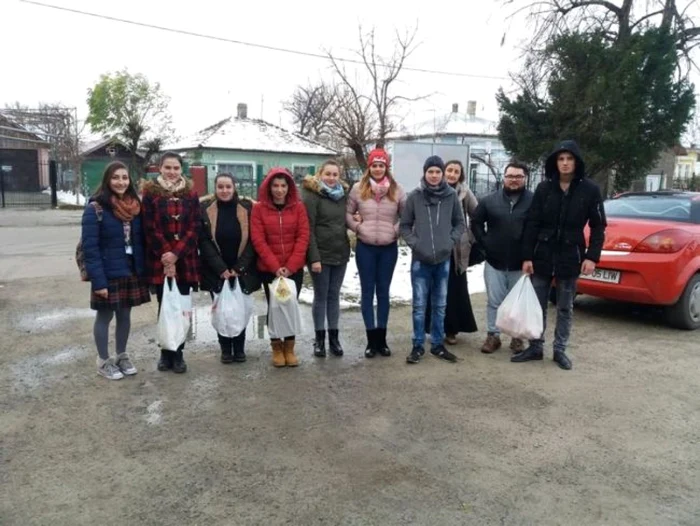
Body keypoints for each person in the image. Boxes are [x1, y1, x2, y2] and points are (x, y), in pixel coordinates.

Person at [514, 140, 606, 370]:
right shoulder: (545, 189)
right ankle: (536, 346)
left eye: (569, 159)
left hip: (570, 255)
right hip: (542, 254)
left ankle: (560, 349)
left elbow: (598, 226)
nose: (565, 163)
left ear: (577, 162)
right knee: (537, 304)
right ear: (555, 162)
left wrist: (592, 257)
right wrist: (527, 256)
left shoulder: (590, 190)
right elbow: (532, 224)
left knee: (565, 306)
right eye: (561, 159)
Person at [81, 161, 150, 380]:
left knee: (125, 314)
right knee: (104, 315)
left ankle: (122, 355)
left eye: (124, 177)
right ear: (107, 180)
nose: (120, 182)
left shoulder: (135, 206)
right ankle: (103, 360)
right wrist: (98, 281)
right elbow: (89, 248)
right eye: (115, 177)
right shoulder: (96, 208)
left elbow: (140, 241)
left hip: (130, 268)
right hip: (107, 270)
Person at [400, 155, 465, 364]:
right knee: (419, 305)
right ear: (425, 173)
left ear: (442, 173)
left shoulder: (451, 196)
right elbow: (405, 225)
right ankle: (418, 345)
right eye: (431, 171)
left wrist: (449, 242)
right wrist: (416, 244)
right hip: (420, 260)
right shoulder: (415, 197)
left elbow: (459, 223)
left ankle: (437, 344)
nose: (435, 175)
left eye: (438, 171)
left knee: (440, 304)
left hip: (443, 260)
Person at [141, 151, 201, 374]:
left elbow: (195, 226)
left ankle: (179, 353)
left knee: (182, 307)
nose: (172, 172)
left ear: (181, 169)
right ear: (160, 168)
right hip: (160, 260)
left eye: (176, 168)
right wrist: (166, 255)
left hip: (184, 260)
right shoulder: (150, 193)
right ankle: (165, 353)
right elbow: (149, 227)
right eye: (168, 167)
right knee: (165, 307)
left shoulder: (191, 193)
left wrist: (176, 254)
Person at [346, 148, 406, 358]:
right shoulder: (358, 189)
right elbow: (347, 212)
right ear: (369, 167)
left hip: (388, 248)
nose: (378, 169)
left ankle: (382, 339)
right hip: (366, 248)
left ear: (386, 168)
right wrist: (357, 228)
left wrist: (395, 231)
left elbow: (406, 216)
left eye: (381, 165)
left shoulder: (397, 190)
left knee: (383, 292)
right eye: (374, 165)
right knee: (367, 292)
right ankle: (371, 340)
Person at [471, 160, 534, 355]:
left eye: (518, 176)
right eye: (510, 176)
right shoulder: (489, 201)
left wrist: (531, 256)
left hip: (521, 262)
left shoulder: (534, 201)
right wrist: (485, 243)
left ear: (525, 178)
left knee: (518, 302)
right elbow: (476, 223)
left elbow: (538, 229)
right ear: (503, 178)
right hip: (494, 261)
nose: (514, 180)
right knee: (494, 301)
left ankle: (517, 338)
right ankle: (493, 335)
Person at [251, 167, 310, 368]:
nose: (279, 190)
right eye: (275, 185)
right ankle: (276, 347)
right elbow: (258, 239)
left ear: (289, 188)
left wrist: (291, 266)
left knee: (290, 305)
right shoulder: (259, 209)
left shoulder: (299, 208)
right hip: (269, 270)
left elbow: (303, 237)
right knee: (274, 307)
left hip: (293, 269)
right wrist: (275, 267)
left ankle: (290, 347)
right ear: (268, 187)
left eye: (283, 186)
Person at [199, 173, 260, 364]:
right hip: (216, 270)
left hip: (242, 269)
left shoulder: (247, 209)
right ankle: (225, 349)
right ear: (215, 188)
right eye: (220, 187)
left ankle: (240, 348)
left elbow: (253, 240)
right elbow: (204, 240)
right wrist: (220, 268)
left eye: (228, 187)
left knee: (240, 309)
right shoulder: (205, 209)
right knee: (222, 310)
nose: (224, 191)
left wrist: (239, 267)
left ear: (234, 188)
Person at [425, 159, 479, 345]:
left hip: (456, 250)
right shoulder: (431, 189)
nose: (452, 174)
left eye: (456, 171)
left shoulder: (464, 192)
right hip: (435, 247)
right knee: (434, 289)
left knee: (454, 291)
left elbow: (477, 214)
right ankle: (434, 327)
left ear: (460, 175)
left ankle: (451, 330)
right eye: (449, 170)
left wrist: (469, 236)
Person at [302, 160, 351, 358]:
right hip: (320, 255)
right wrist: (314, 257)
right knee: (321, 296)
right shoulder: (312, 195)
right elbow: (309, 229)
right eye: (328, 174)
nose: (331, 178)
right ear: (320, 174)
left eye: (335, 174)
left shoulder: (342, 196)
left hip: (340, 253)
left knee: (334, 296)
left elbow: (345, 220)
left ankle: (334, 338)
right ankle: (319, 339)